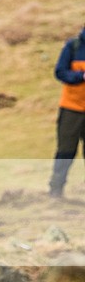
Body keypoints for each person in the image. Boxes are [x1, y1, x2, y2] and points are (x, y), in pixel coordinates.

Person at [49, 24, 85, 198]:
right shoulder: (74, 46)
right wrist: (81, 76)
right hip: (72, 109)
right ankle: (56, 191)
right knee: (66, 151)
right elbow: (60, 72)